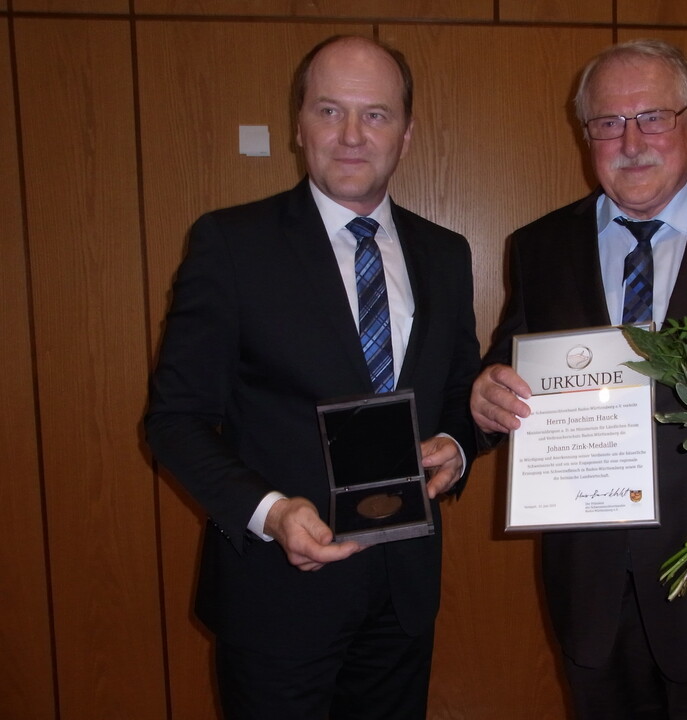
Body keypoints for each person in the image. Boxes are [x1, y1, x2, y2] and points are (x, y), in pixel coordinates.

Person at [471, 39, 687, 719]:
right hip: (592, 595)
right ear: (586, 136)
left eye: (652, 117)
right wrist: (485, 396)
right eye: (607, 123)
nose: (631, 141)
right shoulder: (540, 246)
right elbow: (507, 366)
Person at [144, 35, 480, 720]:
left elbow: (459, 394)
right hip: (277, 596)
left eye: (376, 115)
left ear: (407, 135)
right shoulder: (230, 244)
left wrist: (458, 442)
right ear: (299, 126)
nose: (352, 136)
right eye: (330, 111)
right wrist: (270, 511)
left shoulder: (446, 255)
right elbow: (173, 420)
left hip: (402, 595)